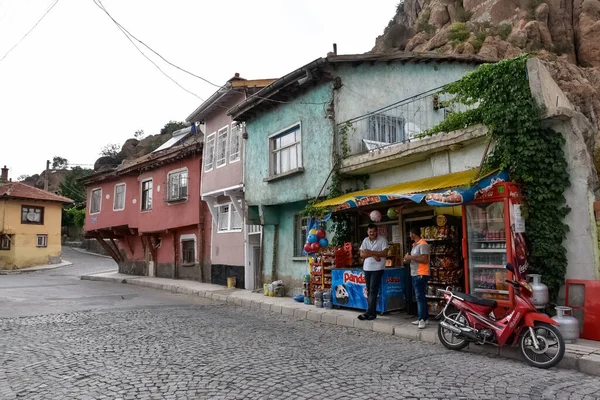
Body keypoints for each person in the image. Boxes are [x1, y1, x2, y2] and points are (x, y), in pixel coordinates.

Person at [357, 224, 389, 321]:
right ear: (367, 232)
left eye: (373, 231)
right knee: (369, 290)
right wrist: (374, 254)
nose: (372, 233)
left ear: (377, 231)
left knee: (373, 290)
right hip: (367, 268)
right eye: (370, 231)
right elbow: (362, 254)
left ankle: (370, 312)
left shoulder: (382, 240)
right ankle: (371, 312)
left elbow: (384, 253)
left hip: (378, 268)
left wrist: (369, 252)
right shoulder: (365, 240)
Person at [404, 227, 430, 329]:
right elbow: (415, 259)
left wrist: (411, 257)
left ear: (413, 233)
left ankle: (421, 320)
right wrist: (407, 259)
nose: (409, 235)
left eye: (409, 233)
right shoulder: (415, 245)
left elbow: (425, 259)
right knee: (421, 296)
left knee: (419, 297)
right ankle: (424, 318)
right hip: (415, 273)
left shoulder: (423, 244)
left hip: (421, 273)